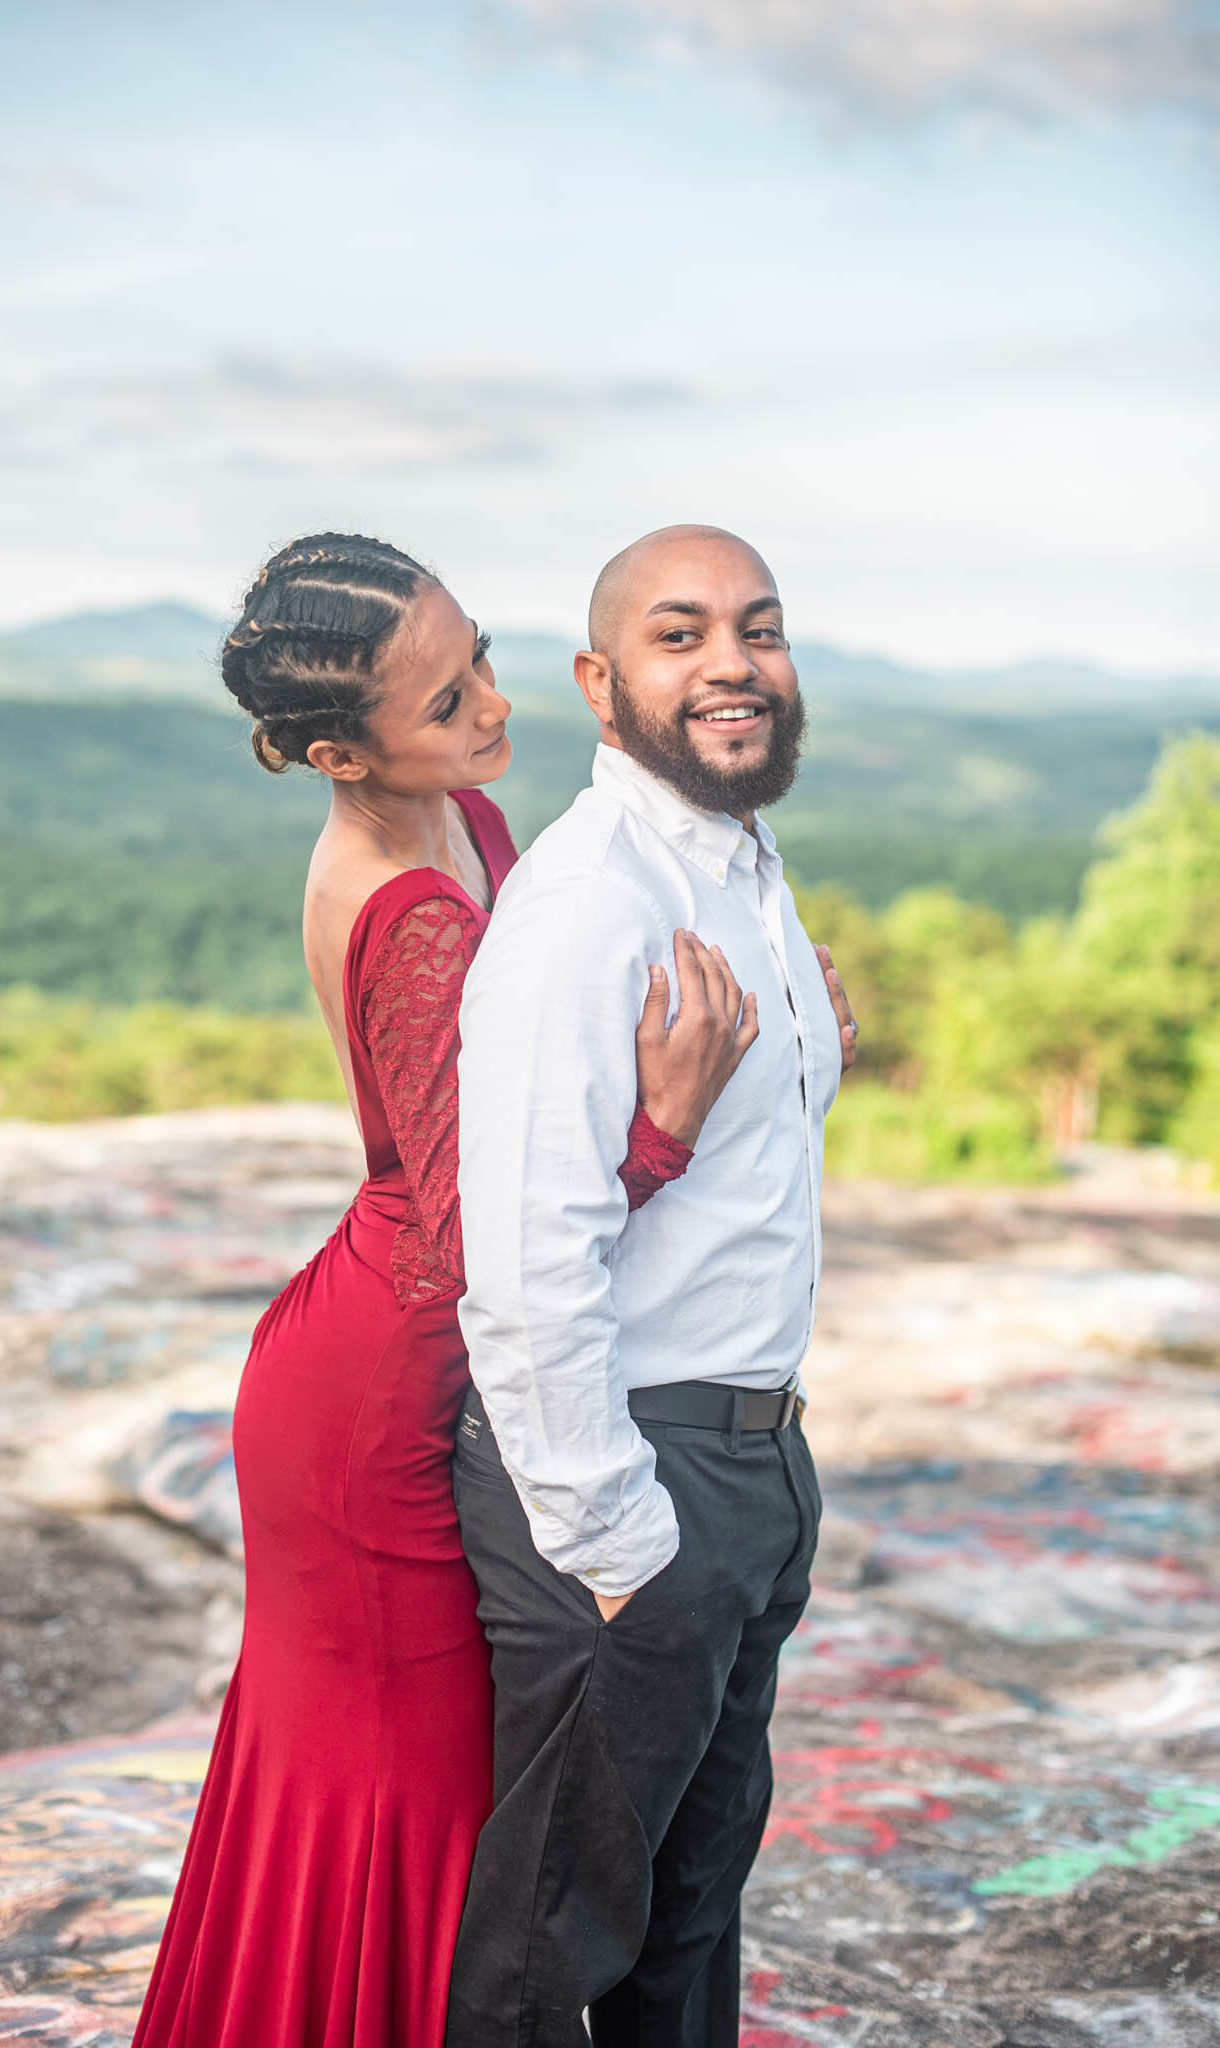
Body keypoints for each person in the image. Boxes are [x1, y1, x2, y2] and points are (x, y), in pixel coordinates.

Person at [128, 532, 794, 2048]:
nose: (492, 704)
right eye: (446, 699)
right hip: (387, 1383)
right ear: (335, 752)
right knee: (417, 1791)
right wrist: (660, 1128)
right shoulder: (405, 906)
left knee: (434, 1784)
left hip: (395, 1320)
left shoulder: (464, 813)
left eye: (482, 654)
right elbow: (472, 1244)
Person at [447, 524, 855, 2047]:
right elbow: (529, 1253)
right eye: (681, 637)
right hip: (634, 1475)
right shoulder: (587, 906)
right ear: (600, 683)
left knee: (690, 1921)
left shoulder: (739, 860)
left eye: (759, 627)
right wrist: (621, 1544)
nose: (736, 664)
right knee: (549, 1955)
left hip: (754, 1460)